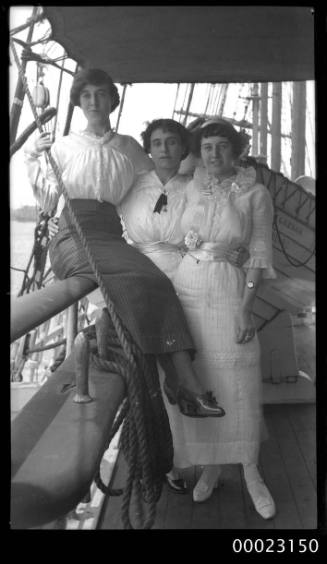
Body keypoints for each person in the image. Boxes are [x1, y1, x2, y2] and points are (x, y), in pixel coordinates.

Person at [23, 68, 223, 419]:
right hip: (74, 233)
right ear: (79, 102)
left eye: (101, 94)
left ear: (112, 100)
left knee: (158, 282)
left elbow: (162, 174)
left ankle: (181, 381)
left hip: (109, 233)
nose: (94, 102)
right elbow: (48, 197)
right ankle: (186, 384)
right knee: (137, 282)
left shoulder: (129, 148)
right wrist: (33, 154)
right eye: (87, 95)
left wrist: (206, 164)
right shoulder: (65, 146)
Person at [169, 119, 277, 518]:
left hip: (231, 291)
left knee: (240, 380)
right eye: (207, 147)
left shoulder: (256, 193)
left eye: (222, 147)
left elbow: (261, 252)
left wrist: (246, 310)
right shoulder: (192, 184)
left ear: (236, 150)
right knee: (202, 380)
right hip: (189, 287)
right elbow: (177, 231)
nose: (214, 154)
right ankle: (211, 465)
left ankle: (251, 470)